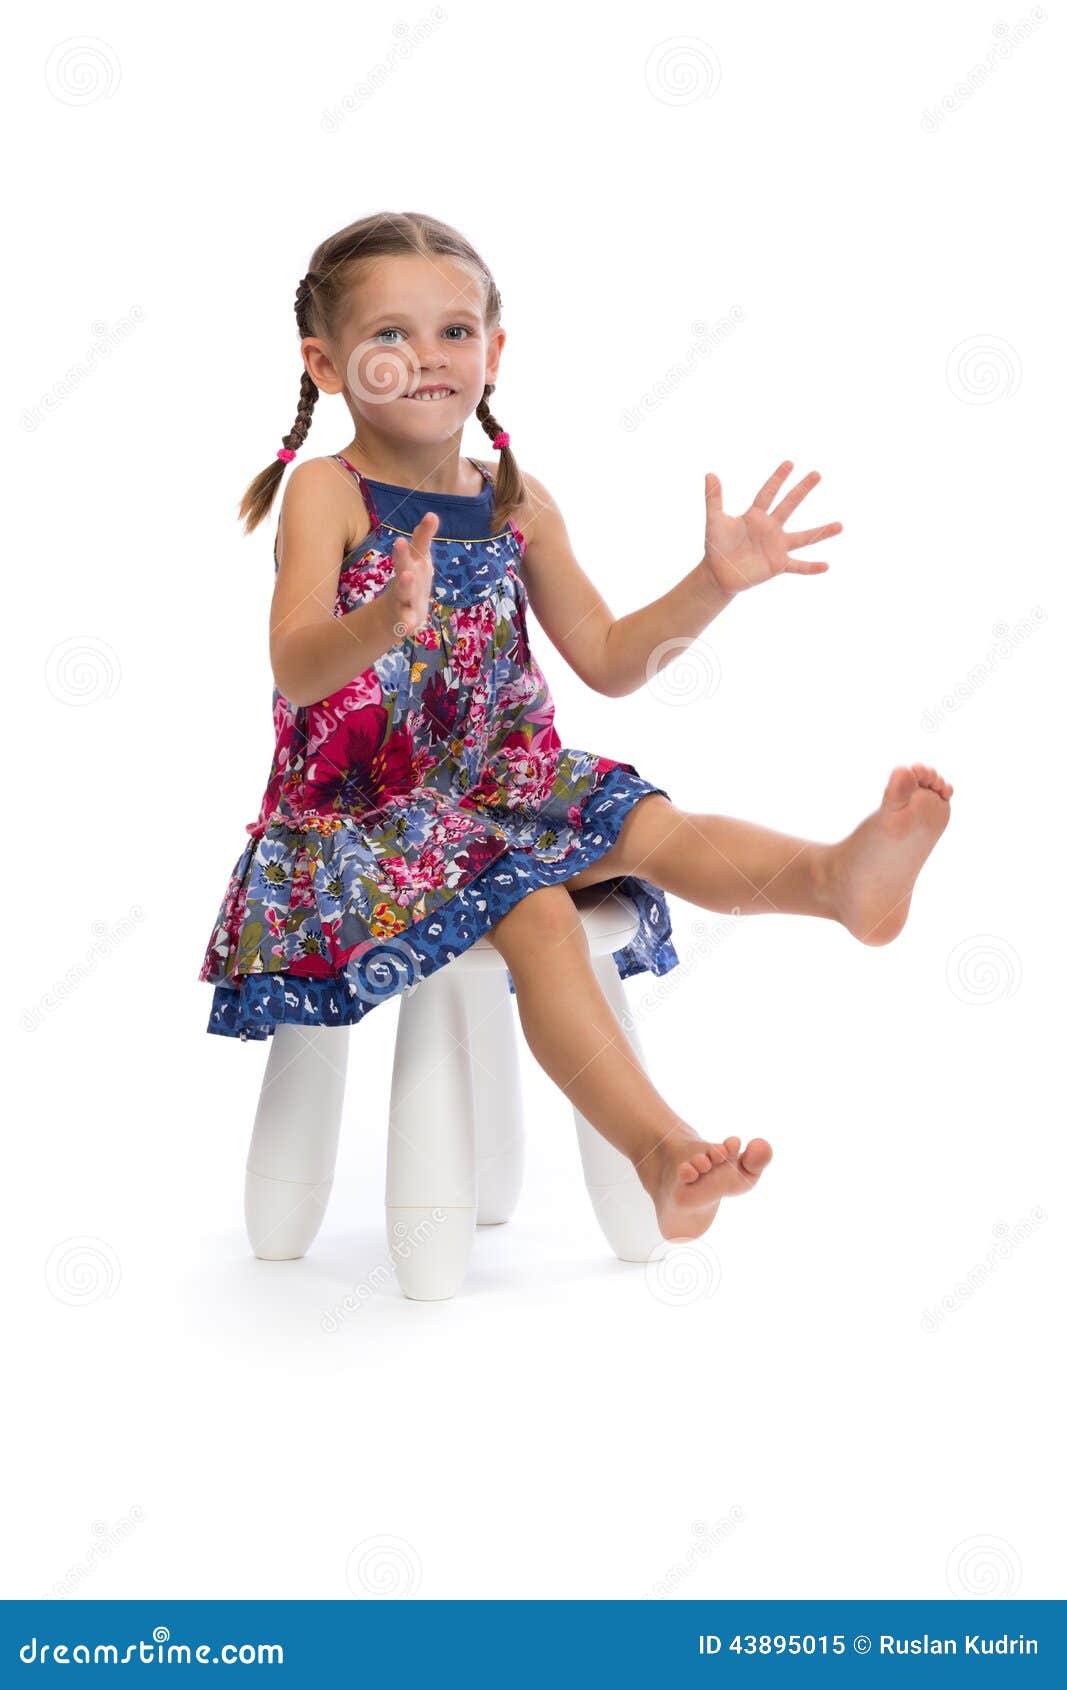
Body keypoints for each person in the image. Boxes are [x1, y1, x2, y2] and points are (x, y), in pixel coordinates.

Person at [199, 211, 952, 1244]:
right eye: (389, 337)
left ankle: (834, 879)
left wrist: (712, 584)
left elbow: (607, 657)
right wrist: (379, 621)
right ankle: (657, 1149)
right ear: (326, 364)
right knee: (541, 913)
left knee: (645, 819)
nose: (427, 358)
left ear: (494, 352)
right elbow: (292, 662)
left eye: (454, 332)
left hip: (504, 782)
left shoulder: (518, 502)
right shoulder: (326, 493)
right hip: (364, 819)